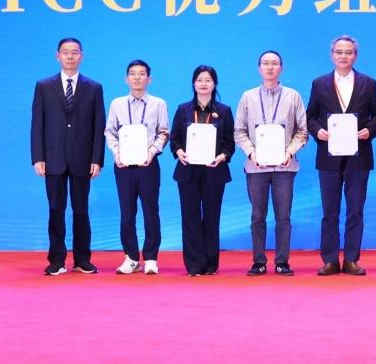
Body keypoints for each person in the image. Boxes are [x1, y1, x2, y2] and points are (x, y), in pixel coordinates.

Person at [305, 35, 376, 276]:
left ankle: (351, 259)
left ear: (355, 56)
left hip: (359, 156)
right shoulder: (319, 83)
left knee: (355, 210)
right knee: (329, 211)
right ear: (332, 55)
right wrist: (318, 131)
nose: (343, 56)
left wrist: (368, 131)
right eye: (339, 52)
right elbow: (310, 116)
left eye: (348, 52)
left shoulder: (368, 83)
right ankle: (330, 259)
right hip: (328, 156)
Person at [31, 37, 105, 275]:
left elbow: (99, 126)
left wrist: (97, 159)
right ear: (57, 56)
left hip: (82, 159)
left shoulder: (94, 87)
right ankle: (56, 260)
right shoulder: (44, 86)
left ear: (82, 56)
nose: (70, 56)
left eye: (75, 52)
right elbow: (37, 124)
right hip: (53, 158)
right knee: (56, 210)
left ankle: (82, 259)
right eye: (66, 52)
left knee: (81, 210)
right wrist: (38, 157)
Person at [232, 50, 309, 276]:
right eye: (265, 63)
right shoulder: (248, 97)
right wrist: (251, 153)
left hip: (285, 167)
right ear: (259, 68)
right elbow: (239, 131)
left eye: (274, 63)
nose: (270, 67)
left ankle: (282, 261)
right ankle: (258, 261)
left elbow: (302, 131)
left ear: (281, 68)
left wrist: (290, 152)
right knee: (257, 216)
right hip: (256, 167)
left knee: (283, 216)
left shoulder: (293, 96)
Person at [104, 59, 171, 275]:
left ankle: (151, 257)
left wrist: (151, 153)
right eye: (133, 74)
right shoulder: (117, 104)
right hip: (124, 165)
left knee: (151, 210)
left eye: (142, 74)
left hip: (148, 165)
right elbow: (109, 132)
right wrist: (117, 153)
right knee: (127, 212)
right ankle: (131, 257)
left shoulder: (158, 104)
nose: (137, 78)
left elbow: (164, 132)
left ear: (149, 79)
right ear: (126, 79)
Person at [170, 65, 236, 276]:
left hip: (214, 170)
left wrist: (222, 156)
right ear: (193, 83)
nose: (204, 84)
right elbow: (174, 138)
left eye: (208, 80)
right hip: (187, 171)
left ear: (214, 84)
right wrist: (179, 151)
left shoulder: (224, 111)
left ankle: (210, 264)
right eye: (200, 80)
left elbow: (229, 142)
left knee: (211, 216)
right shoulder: (183, 109)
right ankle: (194, 265)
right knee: (189, 217)